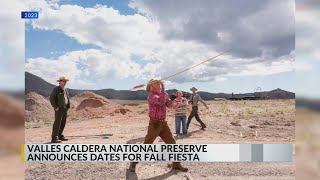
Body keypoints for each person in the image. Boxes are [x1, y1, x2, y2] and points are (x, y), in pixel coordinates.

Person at [129, 79, 188, 172]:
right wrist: (164, 88)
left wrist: (171, 100)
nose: (159, 84)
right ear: (152, 86)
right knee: (147, 145)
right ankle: (134, 162)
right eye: (157, 83)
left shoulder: (162, 95)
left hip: (163, 124)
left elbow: (170, 105)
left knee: (172, 143)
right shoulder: (152, 96)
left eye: (159, 83)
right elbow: (160, 101)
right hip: (155, 124)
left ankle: (176, 164)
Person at [49, 76, 70, 143]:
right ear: (60, 82)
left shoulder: (65, 89)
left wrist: (68, 106)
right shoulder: (56, 89)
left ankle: (60, 135)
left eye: (65, 81)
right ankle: (54, 138)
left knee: (63, 123)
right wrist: (55, 107)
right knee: (57, 123)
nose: (65, 82)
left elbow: (67, 98)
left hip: (65, 108)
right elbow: (51, 98)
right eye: (64, 81)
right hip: (59, 109)